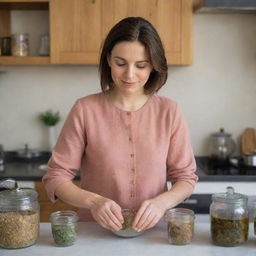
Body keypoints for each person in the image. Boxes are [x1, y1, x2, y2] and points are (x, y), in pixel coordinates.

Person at [43, 17, 198, 232]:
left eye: (141, 65)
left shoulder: (169, 111)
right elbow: (56, 177)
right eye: (120, 63)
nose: (130, 75)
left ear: (153, 64)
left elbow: (185, 178)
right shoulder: (85, 109)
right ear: (108, 59)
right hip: (94, 232)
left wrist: (162, 202)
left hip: (153, 234)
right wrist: (94, 202)